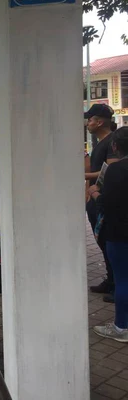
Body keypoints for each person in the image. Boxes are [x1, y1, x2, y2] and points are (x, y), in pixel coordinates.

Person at [89, 126, 128, 342]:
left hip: (120, 233)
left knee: (123, 279)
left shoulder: (116, 170)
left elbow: (106, 204)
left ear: (115, 146)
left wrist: (94, 193)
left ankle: (121, 327)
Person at [85, 104, 118, 300]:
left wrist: (83, 174)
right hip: (95, 199)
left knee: (108, 241)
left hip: (105, 200)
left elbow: (112, 170)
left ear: (99, 122)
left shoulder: (112, 142)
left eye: (90, 119)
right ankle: (111, 280)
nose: (87, 123)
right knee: (102, 241)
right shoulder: (100, 142)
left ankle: (116, 284)